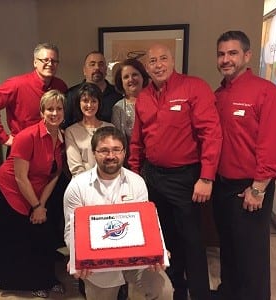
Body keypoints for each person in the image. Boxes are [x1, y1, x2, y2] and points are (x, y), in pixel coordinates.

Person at [128, 43, 222, 300]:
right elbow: (137, 140)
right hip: (153, 178)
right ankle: (174, 292)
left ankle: (200, 294)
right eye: (153, 61)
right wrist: (134, 177)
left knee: (192, 241)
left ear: (172, 61)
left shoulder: (194, 87)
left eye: (163, 59)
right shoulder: (144, 97)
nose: (158, 65)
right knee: (165, 240)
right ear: (146, 67)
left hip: (186, 178)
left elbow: (211, 134)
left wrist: (206, 177)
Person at [212, 30, 276, 300]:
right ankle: (228, 293)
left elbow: (273, 143)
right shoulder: (218, 94)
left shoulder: (265, 93)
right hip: (222, 187)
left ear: (247, 55)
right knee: (229, 249)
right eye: (221, 54)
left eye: (232, 53)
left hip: (251, 188)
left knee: (252, 257)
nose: (226, 59)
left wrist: (258, 188)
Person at [63, 126, 172, 300]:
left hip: (136, 260)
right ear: (94, 152)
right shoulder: (77, 187)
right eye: (104, 150)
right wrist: (77, 256)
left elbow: (147, 225)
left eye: (116, 150)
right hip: (97, 267)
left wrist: (158, 250)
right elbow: (71, 231)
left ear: (124, 152)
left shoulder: (137, 182)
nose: (111, 156)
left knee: (164, 291)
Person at [0, 90, 66, 298]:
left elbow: (55, 175)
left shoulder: (61, 137)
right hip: (11, 191)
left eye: (58, 109)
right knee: (23, 240)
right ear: (42, 112)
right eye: (50, 108)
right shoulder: (27, 136)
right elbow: (20, 177)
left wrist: (41, 205)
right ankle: (29, 283)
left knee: (42, 237)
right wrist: (36, 206)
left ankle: (47, 278)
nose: (54, 113)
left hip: (36, 191)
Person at [0, 42, 67, 148]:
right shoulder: (17, 84)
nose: (50, 64)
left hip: (52, 148)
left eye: (54, 61)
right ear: (35, 62)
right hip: (24, 148)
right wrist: (4, 138)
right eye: (45, 60)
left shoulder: (60, 86)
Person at [65, 82, 114, 176]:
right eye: (85, 100)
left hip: (108, 181)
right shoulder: (71, 131)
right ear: (79, 103)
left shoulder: (110, 128)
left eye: (94, 101)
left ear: (99, 103)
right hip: (82, 184)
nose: (89, 105)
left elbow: (113, 160)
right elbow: (76, 168)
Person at [64, 51, 122, 128]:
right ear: (84, 70)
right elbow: (64, 126)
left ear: (106, 69)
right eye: (92, 64)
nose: (97, 67)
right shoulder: (71, 95)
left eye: (101, 64)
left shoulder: (117, 95)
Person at [111, 58, 150, 165]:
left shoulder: (154, 102)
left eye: (135, 74)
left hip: (156, 164)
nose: (131, 79)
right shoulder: (118, 108)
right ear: (121, 82)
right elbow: (118, 142)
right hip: (130, 165)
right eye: (126, 77)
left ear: (142, 76)